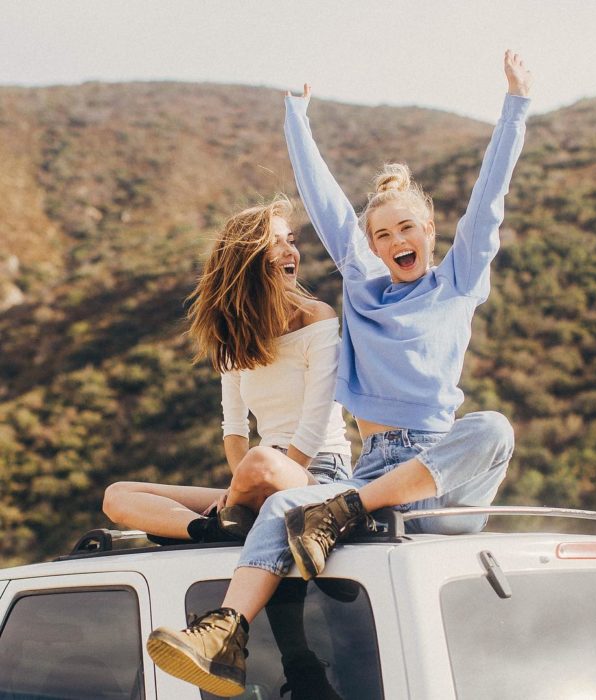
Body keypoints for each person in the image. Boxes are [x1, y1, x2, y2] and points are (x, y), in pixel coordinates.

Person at [146, 50, 531, 697]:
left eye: (407, 227)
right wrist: (296, 117)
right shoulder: (365, 284)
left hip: (440, 475)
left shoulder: (459, 280)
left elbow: (489, 200)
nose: (395, 240)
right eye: (382, 233)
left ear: (430, 230)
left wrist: (516, 103)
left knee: (492, 427)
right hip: (377, 469)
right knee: (284, 512)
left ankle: (346, 508)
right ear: (372, 244)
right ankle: (223, 635)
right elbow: (324, 202)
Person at [103, 195, 352, 545]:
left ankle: (237, 516)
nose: (290, 252)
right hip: (256, 479)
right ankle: (212, 530)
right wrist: (242, 491)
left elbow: (314, 424)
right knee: (118, 494)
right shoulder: (236, 336)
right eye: (275, 244)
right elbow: (234, 431)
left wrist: (245, 487)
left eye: (290, 242)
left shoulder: (316, 318)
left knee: (261, 458)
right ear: (247, 261)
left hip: (318, 473)